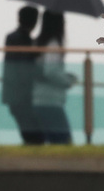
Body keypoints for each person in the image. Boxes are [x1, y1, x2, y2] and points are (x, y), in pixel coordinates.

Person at [32, 10, 77, 144]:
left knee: (50, 142)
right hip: (50, 101)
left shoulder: (37, 43)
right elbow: (50, 71)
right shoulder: (53, 44)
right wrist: (68, 81)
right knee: (63, 143)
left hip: (37, 99)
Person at [1, 6, 44, 145]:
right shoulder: (23, 40)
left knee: (29, 129)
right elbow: (22, 66)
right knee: (33, 132)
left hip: (16, 93)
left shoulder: (14, 38)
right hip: (21, 93)